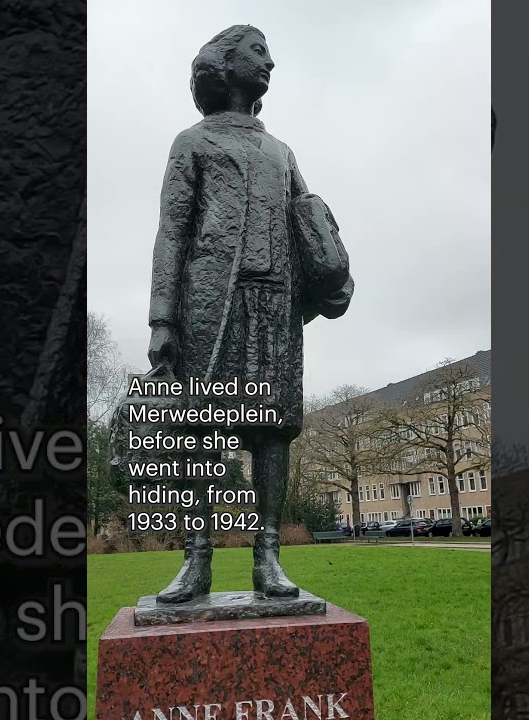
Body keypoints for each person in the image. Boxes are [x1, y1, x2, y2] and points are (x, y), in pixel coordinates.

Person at [147, 25, 352, 602]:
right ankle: (197, 558)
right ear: (222, 64)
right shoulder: (191, 142)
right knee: (198, 430)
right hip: (211, 304)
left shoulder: (280, 152)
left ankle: (268, 556)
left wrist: (331, 276)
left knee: (273, 429)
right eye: (257, 53)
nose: (269, 63)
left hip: (275, 304)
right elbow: (172, 234)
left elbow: (308, 221)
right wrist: (162, 318)